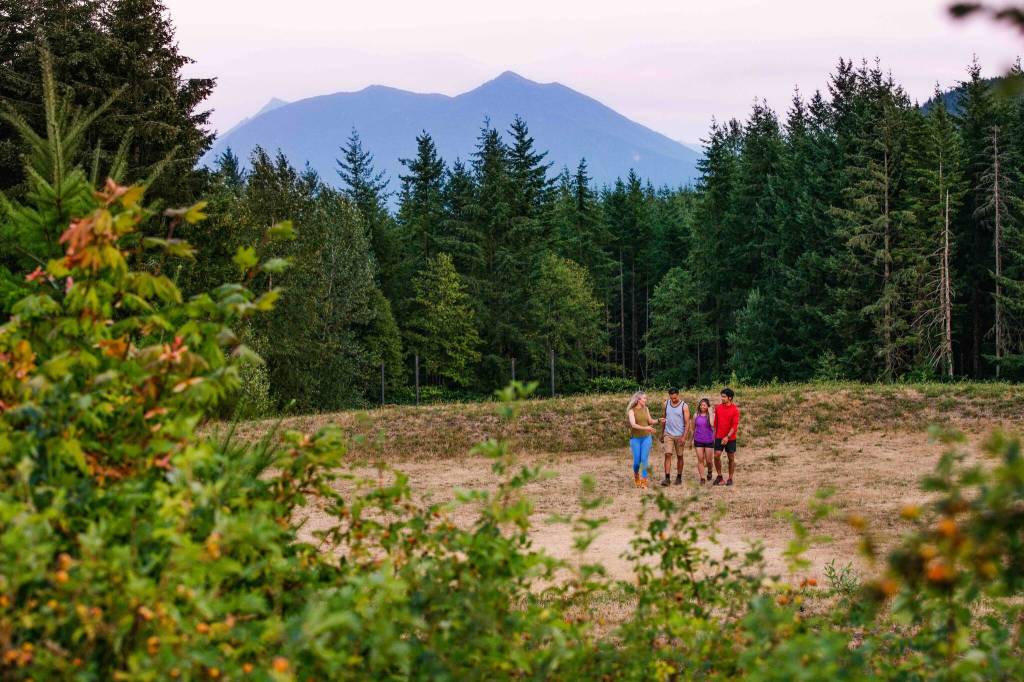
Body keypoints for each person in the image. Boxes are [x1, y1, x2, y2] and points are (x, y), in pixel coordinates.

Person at [626, 391, 661, 489]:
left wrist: (658, 420)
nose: (646, 400)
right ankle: (636, 475)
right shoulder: (631, 411)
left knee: (644, 459)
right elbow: (633, 425)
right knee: (637, 462)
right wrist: (646, 428)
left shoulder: (646, 409)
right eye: (644, 398)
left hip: (646, 438)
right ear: (638, 399)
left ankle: (644, 481)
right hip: (635, 439)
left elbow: (650, 421)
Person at [659, 388, 690, 486]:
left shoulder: (684, 406)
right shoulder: (666, 404)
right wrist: (662, 433)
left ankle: (679, 477)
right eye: (671, 398)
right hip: (668, 434)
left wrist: (684, 437)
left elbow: (687, 423)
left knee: (680, 456)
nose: (673, 399)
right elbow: (664, 419)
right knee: (667, 454)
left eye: (675, 398)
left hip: (679, 435)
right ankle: (667, 478)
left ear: (678, 395)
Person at [712, 387, 740, 486]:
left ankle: (730, 478)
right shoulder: (718, 408)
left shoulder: (735, 410)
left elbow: (734, 426)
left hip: (730, 438)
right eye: (722, 396)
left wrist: (727, 437)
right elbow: (715, 423)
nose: (722, 398)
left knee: (731, 458)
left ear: (730, 398)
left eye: (724, 397)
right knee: (716, 456)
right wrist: (714, 436)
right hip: (719, 437)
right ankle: (719, 477)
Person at [692, 398, 716, 484]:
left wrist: (710, 413)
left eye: (704, 405)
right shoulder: (696, 415)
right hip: (698, 440)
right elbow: (693, 428)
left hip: (709, 440)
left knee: (709, 461)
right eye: (701, 405)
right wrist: (691, 440)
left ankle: (709, 471)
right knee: (700, 459)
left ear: (708, 406)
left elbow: (712, 424)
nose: (702, 407)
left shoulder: (712, 415)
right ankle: (702, 478)